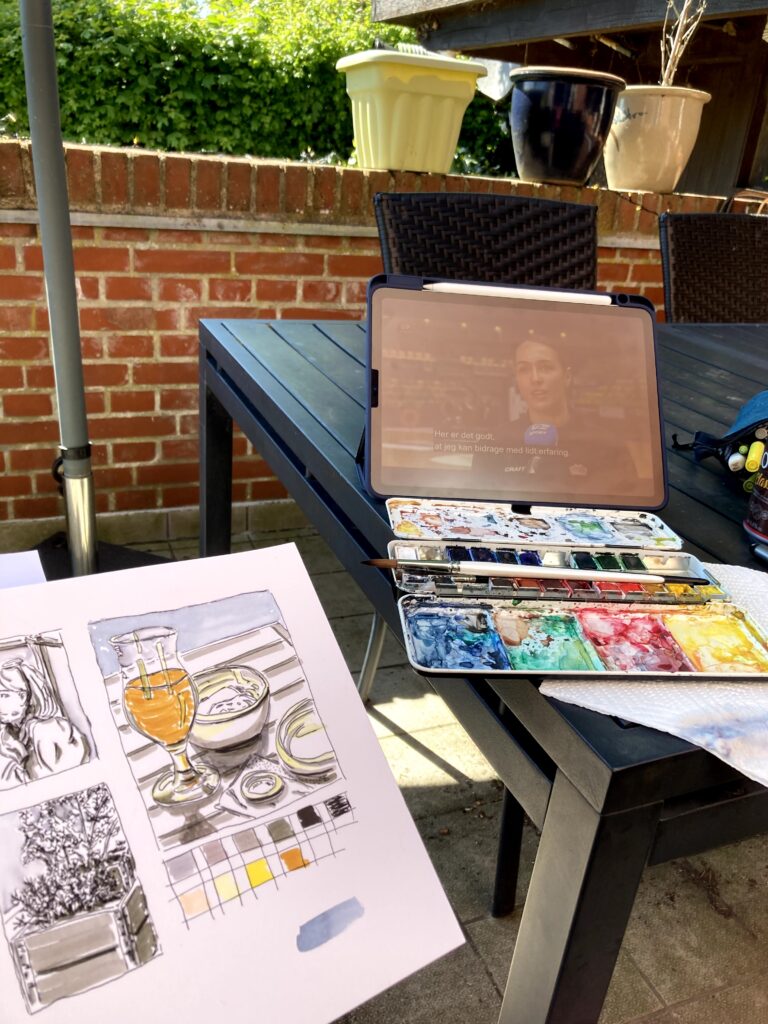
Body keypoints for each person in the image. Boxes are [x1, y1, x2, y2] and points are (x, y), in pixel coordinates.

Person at [472, 336, 638, 497]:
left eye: (545, 368)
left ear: (567, 377)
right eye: (524, 369)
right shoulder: (494, 444)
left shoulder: (606, 446)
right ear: (517, 380)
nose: (535, 378)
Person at [0, 656, 89, 788]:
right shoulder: (11, 733)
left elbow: (55, 787)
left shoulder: (48, 729)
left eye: (2, 695)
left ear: (23, 696)